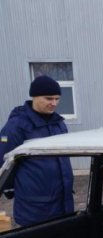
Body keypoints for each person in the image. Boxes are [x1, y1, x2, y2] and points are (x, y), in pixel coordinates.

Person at [0, 75, 73, 226]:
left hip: (63, 204)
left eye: (57, 99)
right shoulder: (17, 126)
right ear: (34, 96)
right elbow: (4, 163)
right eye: (48, 98)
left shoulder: (59, 124)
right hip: (35, 209)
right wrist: (11, 190)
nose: (54, 103)